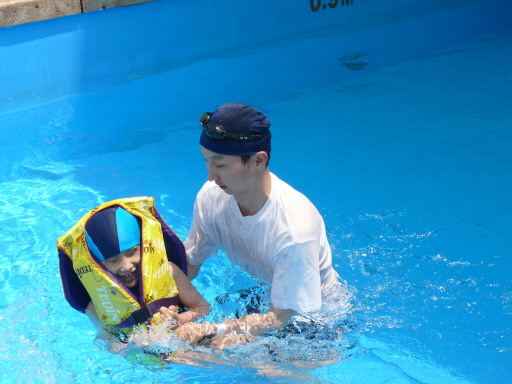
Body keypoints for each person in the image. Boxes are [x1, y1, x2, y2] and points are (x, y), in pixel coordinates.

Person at [172, 103, 340, 348]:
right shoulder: (211, 197)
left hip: (313, 318)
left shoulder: (294, 231)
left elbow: (282, 317)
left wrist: (211, 328)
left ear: (258, 160)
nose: (210, 175)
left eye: (219, 165)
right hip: (268, 296)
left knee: (213, 350)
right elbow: (189, 266)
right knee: (169, 344)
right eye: (207, 162)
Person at [57, 196, 210, 349]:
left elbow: (202, 307)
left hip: (181, 337)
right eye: (112, 260)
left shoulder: (169, 271)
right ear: (97, 264)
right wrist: (133, 347)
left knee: (197, 334)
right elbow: (107, 341)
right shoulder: (97, 303)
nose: (126, 266)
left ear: (144, 246)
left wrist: (180, 319)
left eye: (132, 252)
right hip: (146, 356)